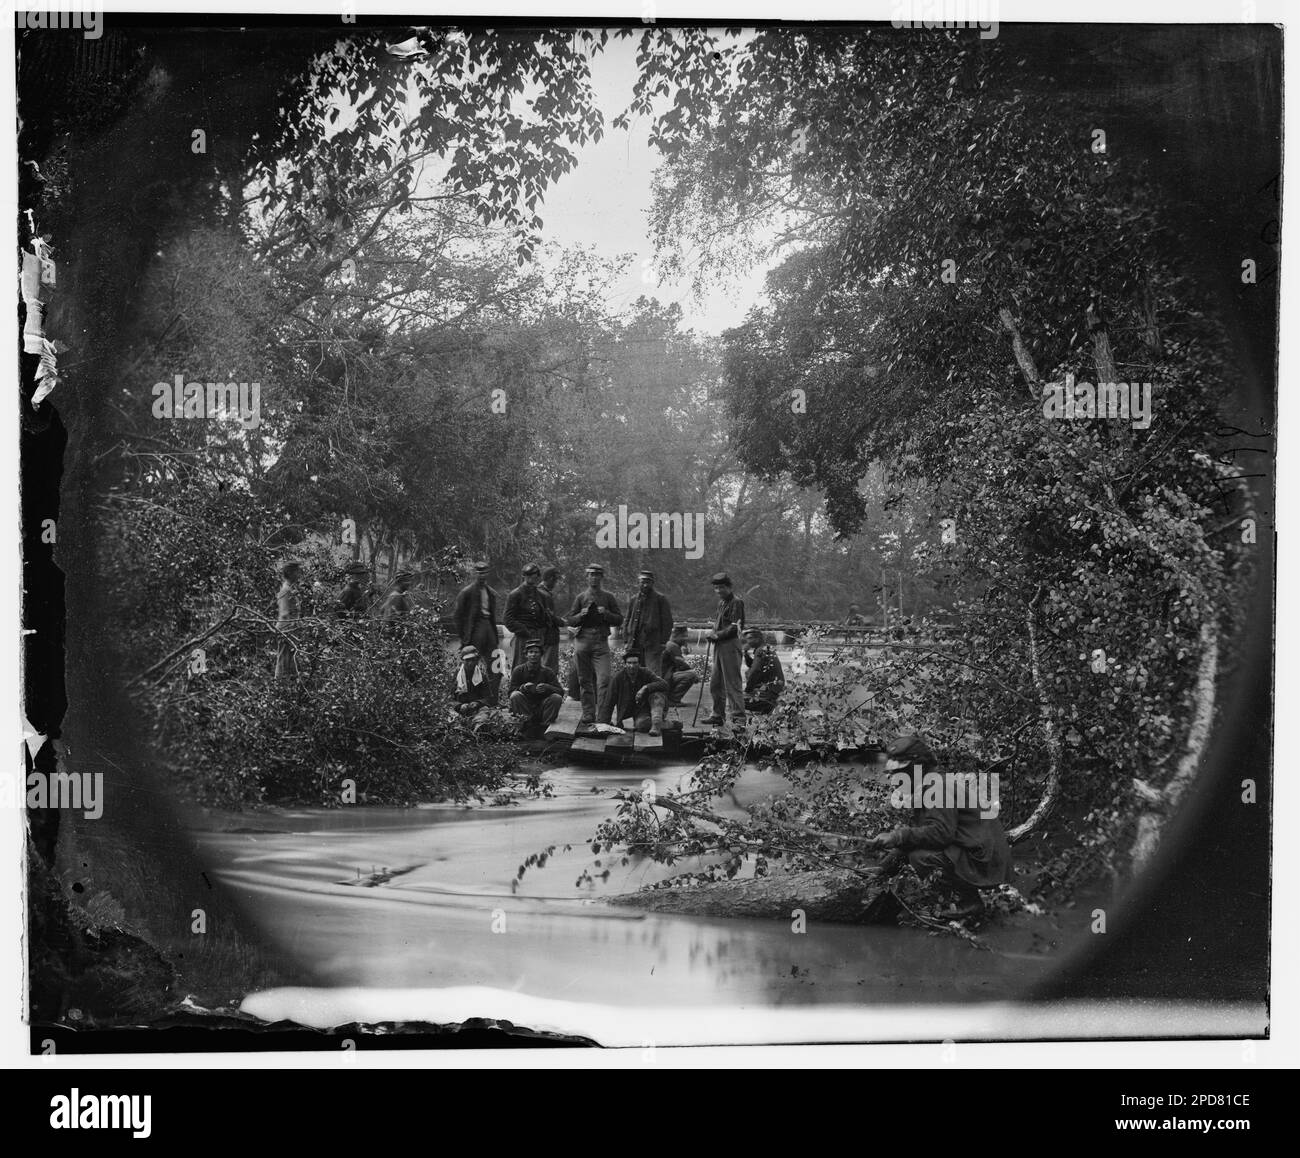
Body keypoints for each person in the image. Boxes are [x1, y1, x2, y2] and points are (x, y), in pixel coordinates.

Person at [863, 734, 1013, 921]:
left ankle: (969, 902)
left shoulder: (938, 787)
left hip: (985, 860)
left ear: (918, 767)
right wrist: (882, 868)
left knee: (921, 857)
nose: (894, 777)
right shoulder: (930, 784)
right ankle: (962, 900)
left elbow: (940, 834)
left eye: (901, 771)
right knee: (916, 847)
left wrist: (897, 836)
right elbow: (921, 835)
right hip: (982, 853)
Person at [564, 562, 623, 729]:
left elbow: (619, 619)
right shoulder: (581, 597)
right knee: (584, 680)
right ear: (587, 577)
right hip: (582, 641)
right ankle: (588, 713)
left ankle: (603, 715)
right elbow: (570, 620)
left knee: (604, 679)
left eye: (597, 575)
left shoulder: (608, 597)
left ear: (601, 577)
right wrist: (580, 615)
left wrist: (607, 614)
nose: (594, 578)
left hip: (601, 642)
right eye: (591, 574)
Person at [454, 561, 502, 703]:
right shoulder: (467, 592)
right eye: (479, 573)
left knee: (495, 666)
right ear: (474, 573)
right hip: (475, 630)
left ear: (488, 573)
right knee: (469, 665)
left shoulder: (490, 592)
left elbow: (492, 615)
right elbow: (457, 616)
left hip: (489, 628)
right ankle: (463, 699)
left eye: (485, 572)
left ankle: (492, 700)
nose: (482, 575)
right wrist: (464, 637)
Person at [703, 572, 746, 731]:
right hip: (719, 646)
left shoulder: (737, 603)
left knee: (732, 683)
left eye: (721, 587)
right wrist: (712, 633)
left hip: (731, 645)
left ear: (729, 587)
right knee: (715, 682)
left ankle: (739, 718)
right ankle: (718, 714)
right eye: (716, 588)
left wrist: (717, 635)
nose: (719, 590)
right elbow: (720, 624)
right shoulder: (721, 603)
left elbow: (735, 627)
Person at [601, 648, 670, 735]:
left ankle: (656, 724)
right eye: (629, 663)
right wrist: (603, 723)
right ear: (625, 664)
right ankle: (670, 724)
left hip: (645, 708)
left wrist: (645, 687)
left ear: (639, 664)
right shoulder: (618, 678)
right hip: (632, 710)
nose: (632, 666)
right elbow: (609, 701)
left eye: (635, 663)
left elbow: (664, 684)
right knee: (641, 726)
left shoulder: (645, 672)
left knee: (657, 695)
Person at [623, 568, 674, 681]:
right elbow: (627, 620)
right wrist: (626, 640)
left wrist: (663, 642)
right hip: (635, 643)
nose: (645, 585)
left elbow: (668, 622)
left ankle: (656, 697)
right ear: (638, 583)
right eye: (643, 582)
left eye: (648, 582)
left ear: (652, 583)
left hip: (653, 643)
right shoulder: (633, 599)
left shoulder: (660, 599)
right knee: (634, 673)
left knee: (653, 673)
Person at [507, 639, 564, 737]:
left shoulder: (548, 671)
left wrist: (547, 687)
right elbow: (510, 692)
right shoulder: (518, 670)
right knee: (515, 695)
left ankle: (545, 727)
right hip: (525, 708)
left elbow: (560, 692)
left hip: (542, 709)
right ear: (526, 655)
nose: (533, 655)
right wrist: (523, 688)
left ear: (541, 654)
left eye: (536, 652)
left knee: (556, 697)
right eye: (531, 652)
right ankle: (526, 725)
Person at [504, 563, 554, 670]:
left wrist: (544, 630)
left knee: (537, 668)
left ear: (537, 576)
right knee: (520, 666)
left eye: (534, 574)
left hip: (538, 635)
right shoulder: (515, 595)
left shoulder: (541, 595)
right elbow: (508, 620)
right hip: (523, 637)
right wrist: (524, 630)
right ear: (524, 576)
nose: (531, 577)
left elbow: (546, 616)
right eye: (528, 575)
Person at [742, 628, 785, 714]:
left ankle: (740, 723)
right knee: (748, 673)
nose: (747, 641)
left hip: (769, 693)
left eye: (749, 639)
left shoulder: (761, 650)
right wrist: (746, 653)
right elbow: (754, 665)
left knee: (735, 701)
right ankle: (766, 710)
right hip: (774, 690)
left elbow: (755, 671)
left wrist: (747, 690)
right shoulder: (766, 648)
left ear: (757, 639)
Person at [274, 559, 303, 678]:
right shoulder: (285, 591)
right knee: (283, 659)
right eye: (296, 571)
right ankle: (278, 684)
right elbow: (285, 614)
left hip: (291, 629)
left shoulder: (290, 589)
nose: (299, 574)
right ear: (290, 573)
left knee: (291, 658)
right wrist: (291, 629)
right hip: (286, 629)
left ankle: (291, 684)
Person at [660, 626, 698, 707]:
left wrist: (684, 646)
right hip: (665, 678)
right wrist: (696, 675)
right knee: (691, 675)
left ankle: (669, 698)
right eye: (684, 636)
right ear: (676, 636)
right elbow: (682, 665)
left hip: (663, 677)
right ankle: (673, 699)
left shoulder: (669, 643)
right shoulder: (672, 646)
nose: (686, 639)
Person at [451, 644, 493, 717]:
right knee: (451, 717)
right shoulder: (455, 676)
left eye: (473, 660)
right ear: (462, 660)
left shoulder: (482, 676)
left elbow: (488, 697)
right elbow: (448, 698)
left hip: (477, 709)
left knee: (483, 715)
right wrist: (459, 705)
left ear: (477, 660)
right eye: (467, 660)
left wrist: (478, 703)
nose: (470, 663)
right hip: (458, 709)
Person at [538, 565, 563, 673]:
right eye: (555, 580)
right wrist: (562, 622)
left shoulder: (537, 591)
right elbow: (549, 617)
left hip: (541, 637)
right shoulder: (545, 595)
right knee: (549, 668)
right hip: (549, 637)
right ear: (550, 579)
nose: (556, 583)